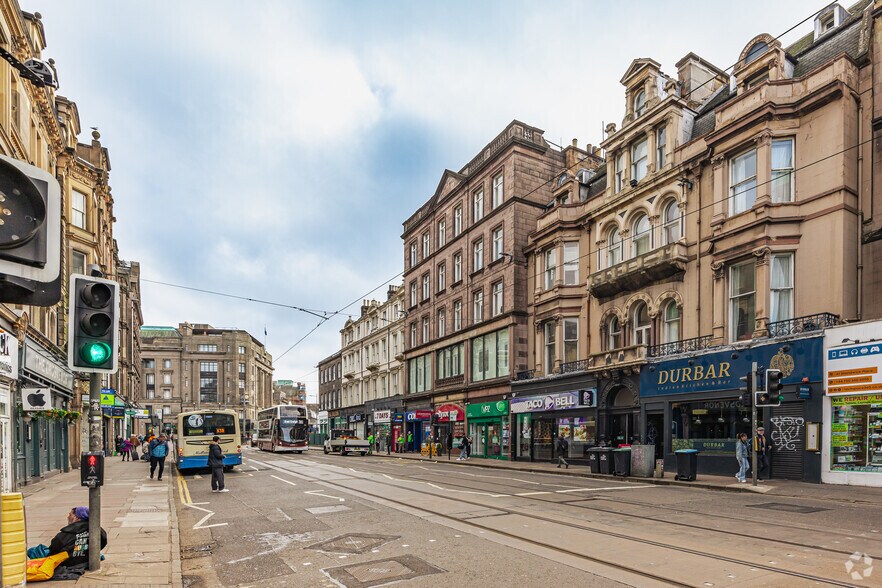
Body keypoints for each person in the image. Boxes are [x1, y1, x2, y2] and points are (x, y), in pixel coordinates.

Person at [27, 507, 108, 570]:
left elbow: (53, 551)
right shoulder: (98, 531)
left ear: (76, 518)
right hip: (85, 559)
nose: (68, 517)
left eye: (70, 515)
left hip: (67, 562)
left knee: (34, 551)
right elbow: (103, 542)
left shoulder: (63, 535)